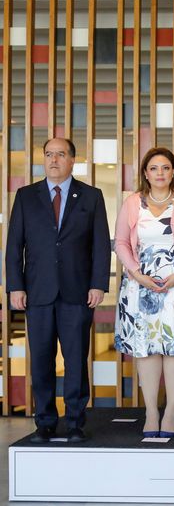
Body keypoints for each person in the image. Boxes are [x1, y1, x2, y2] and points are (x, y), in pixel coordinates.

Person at [6, 138, 111, 443]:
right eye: (49, 154)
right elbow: (14, 246)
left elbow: (101, 245)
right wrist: (15, 286)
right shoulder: (26, 196)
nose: (53, 160)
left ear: (72, 160)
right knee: (40, 360)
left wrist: (98, 283)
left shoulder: (91, 196)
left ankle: (76, 422)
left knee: (76, 359)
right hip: (36, 293)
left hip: (77, 292)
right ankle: (45, 422)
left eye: (60, 154)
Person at [114, 147, 174, 438]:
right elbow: (120, 243)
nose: (160, 173)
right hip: (140, 286)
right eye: (154, 168)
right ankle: (151, 411)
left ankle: (170, 412)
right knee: (146, 349)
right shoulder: (132, 203)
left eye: (165, 168)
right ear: (145, 172)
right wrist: (137, 274)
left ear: (173, 172)